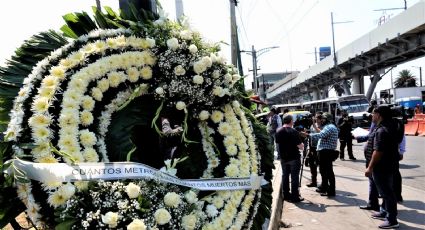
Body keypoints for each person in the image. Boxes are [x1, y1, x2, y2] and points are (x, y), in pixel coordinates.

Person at [365, 105, 400, 229]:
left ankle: (392, 220)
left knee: (387, 193)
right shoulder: (390, 125)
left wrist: (370, 167)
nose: (372, 116)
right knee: (386, 192)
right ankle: (384, 212)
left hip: (382, 167)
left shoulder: (382, 130)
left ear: (379, 115)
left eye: (373, 113)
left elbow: (378, 151)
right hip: (389, 165)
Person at [303, 112, 339, 197]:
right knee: (325, 171)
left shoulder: (329, 127)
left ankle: (330, 190)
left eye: (323, 119)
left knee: (328, 172)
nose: (321, 120)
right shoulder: (329, 127)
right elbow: (321, 132)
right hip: (325, 152)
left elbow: (321, 134)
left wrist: (308, 135)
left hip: (326, 152)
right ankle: (326, 188)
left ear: (327, 119)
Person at [276, 114, 304, 202]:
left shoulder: (278, 131)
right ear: (291, 121)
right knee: (294, 177)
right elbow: (300, 146)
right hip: (294, 158)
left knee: (285, 176)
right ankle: (295, 196)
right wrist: (303, 144)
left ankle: (286, 195)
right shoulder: (293, 131)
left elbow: (278, 143)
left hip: (283, 158)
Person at [306, 112, 323, 187]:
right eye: (315, 117)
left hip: (319, 148)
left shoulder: (322, 126)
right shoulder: (312, 126)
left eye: (317, 118)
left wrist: (314, 125)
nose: (316, 119)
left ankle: (324, 183)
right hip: (311, 147)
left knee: (321, 167)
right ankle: (314, 181)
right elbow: (310, 135)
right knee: (312, 165)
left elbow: (319, 133)